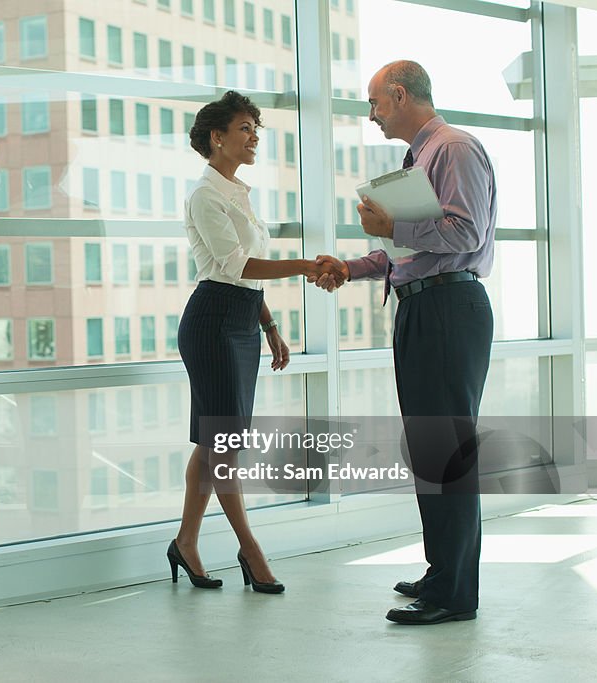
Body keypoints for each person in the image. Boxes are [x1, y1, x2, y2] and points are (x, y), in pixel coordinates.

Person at [313, 61, 496, 624]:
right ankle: (443, 573)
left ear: (398, 94)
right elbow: (417, 254)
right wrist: (351, 266)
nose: (371, 116)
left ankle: (452, 594)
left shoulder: (453, 148)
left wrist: (390, 227)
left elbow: (466, 232)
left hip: (447, 308)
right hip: (428, 306)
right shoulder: (421, 157)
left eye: (375, 104)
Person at [170, 91, 342, 593]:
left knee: (213, 443)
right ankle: (251, 550)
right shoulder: (206, 195)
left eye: (255, 128)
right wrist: (309, 265)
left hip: (241, 322)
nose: (254, 137)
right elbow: (236, 268)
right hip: (213, 325)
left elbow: (247, 279)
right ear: (216, 138)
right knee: (224, 447)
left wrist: (269, 326)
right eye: (245, 128)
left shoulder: (237, 193)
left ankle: (186, 543)